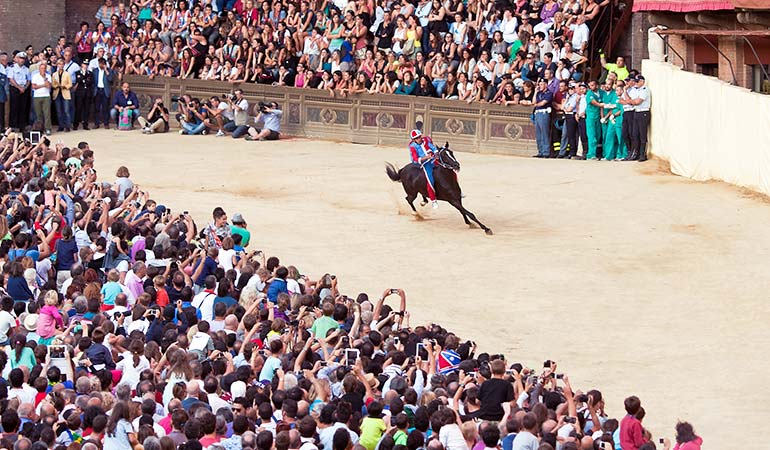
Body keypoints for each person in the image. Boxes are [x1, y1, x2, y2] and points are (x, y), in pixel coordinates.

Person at [408, 129, 439, 209]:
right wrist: (426, 157)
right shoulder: (412, 147)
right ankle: (433, 201)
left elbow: (433, 148)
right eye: (417, 138)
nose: (419, 139)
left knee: (449, 168)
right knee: (430, 180)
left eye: (419, 137)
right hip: (425, 164)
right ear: (414, 140)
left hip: (433, 159)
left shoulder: (426, 140)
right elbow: (415, 159)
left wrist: (436, 153)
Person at [7, 52, 31, 132]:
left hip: (24, 89)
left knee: (23, 108)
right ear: (17, 59)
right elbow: (11, 79)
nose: (22, 60)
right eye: (20, 58)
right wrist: (19, 87)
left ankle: (22, 126)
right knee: (14, 107)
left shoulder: (26, 69)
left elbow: (28, 80)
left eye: (23, 59)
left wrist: (24, 88)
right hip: (15, 89)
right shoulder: (12, 68)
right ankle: (13, 126)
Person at [629, 75, 650, 162]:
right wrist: (632, 101)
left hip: (643, 112)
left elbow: (637, 102)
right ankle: (636, 154)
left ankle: (642, 154)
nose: (636, 83)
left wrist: (632, 101)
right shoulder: (636, 90)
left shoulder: (645, 90)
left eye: (637, 81)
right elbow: (629, 100)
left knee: (642, 135)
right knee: (635, 134)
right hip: (637, 112)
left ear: (642, 81)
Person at [532, 78, 553, 158]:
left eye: (541, 84)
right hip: (537, 113)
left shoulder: (549, 93)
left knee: (544, 133)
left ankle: (546, 152)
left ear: (546, 85)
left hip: (544, 112)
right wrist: (535, 92)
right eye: (539, 84)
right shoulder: (539, 93)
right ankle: (540, 151)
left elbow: (543, 103)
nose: (540, 86)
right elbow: (534, 101)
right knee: (538, 134)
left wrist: (536, 104)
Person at [31, 61, 53, 135]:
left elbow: (49, 86)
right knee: (38, 113)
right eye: (41, 68)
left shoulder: (48, 76)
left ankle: (48, 128)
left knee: (47, 113)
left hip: (46, 96)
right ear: (39, 69)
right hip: (37, 96)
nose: (43, 70)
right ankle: (40, 128)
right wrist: (43, 85)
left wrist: (45, 79)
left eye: (44, 68)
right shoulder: (35, 76)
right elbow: (34, 86)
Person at [51, 59, 73, 132]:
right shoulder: (54, 74)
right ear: (57, 65)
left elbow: (70, 84)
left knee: (66, 111)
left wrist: (65, 86)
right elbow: (53, 84)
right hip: (57, 93)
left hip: (65, 93)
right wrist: (56, 86)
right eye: (59, 64)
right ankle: (61, 126)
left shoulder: (67, 74)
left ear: (63, 65)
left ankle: (67, 126)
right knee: (59, 111)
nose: (60, 65)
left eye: (62, 64)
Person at [92, 57, 114, 129]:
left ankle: (106, 123)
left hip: (105, 90)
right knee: (96, 108)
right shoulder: (95, 71)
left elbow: (110, 79)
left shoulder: (109, 70)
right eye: (100, 63)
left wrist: (106, 70)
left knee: (105, 108)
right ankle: (96, 123)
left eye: (102, 64)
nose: (101, 65)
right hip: (97, 90)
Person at [584, 80, 603, 160]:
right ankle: (591, 154)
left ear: (597, 85)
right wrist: (601, 105)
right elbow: (594, 102)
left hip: (598, 116)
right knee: (592, 136)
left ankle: (595, 153)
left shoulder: (601, 92)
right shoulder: (589, 93)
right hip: (591, 117)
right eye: (590, 86)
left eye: (592, 85)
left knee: (598, 135)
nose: (591, 87)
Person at [73, 60, 94, 130]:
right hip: (80, 93)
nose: (86, 66)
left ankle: (85, 124)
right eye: (84, 64)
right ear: (81, 65)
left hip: (87, 93)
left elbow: (90, 82)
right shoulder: (77, 73)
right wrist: (84, 79)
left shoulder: (90, 73)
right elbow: (78, 80)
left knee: (86, 109)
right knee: (78, 109)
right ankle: (75, 124)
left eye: (87, 64)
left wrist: (83, 80)